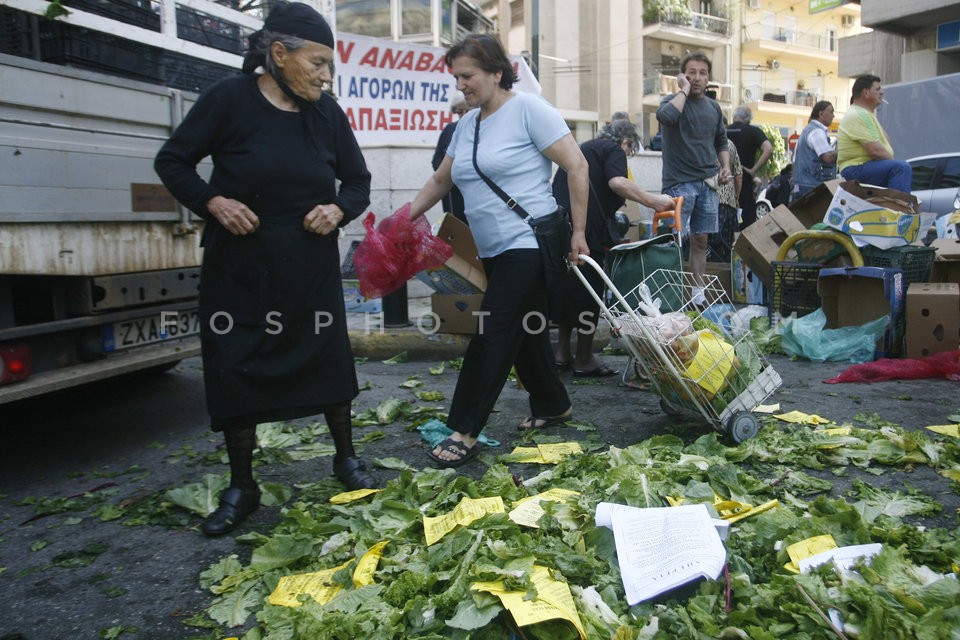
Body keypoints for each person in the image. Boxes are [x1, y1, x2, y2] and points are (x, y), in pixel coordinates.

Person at [154, 1, 376, 537]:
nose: (326, 75)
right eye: (318, 62)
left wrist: (339, 208)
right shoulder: (227, 101)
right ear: (279, 53)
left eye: (331, 66)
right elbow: (173, 161)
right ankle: (242, 485)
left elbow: (358, 182)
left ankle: (345, 461)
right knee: (236, 365)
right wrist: (214, 202)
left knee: (327, 360)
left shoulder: (328, 114)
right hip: (241, 267)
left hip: (309, 265)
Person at [407, 33, 590, 467]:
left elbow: (576, 166)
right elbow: (440, 181)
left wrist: (578, 233)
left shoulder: (528, 109)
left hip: (528, 243)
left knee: (492, 330)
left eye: (467, 76)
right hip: (493, 249)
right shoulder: (467, 125)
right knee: (524, 330)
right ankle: (552, 403)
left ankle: (465, 429)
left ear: (495, 71)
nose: (461, 86)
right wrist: (404, 217)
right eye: (456, 78)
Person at [550, 121, 675, 375]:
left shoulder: (583, 148)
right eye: (630, 152)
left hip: (561, 225)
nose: (627, 157)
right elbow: (617, 182)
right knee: (589, 291)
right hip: (587, 231)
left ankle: (562, 352)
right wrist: (654, 201)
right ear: (626, 142)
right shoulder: (612, 149)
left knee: (568, 286)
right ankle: (584, 357)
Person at [655, 50, 731, 307]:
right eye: (692, 73)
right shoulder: (672, 100)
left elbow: (721, 141)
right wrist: (684, 91)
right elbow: (665, 118)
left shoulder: (713, 107)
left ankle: (697, 298)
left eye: (702, 73)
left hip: (708, 183)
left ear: (709, 77)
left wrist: (726, 167)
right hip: (679, 182)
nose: (697, 77)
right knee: (675, 240)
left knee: (701, 239)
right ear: (682, 75)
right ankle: (669, 296)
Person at [837, 75, 912, 193]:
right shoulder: (859, 115)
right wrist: (892, 164)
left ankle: (892, 206)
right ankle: (899, 209)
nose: (882, 93)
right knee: (901, 168)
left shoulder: (866, 114)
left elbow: (885, 143)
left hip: (862, 167)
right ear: (866, 93)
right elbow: (875, 151)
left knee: (898, 167)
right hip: (855, 168)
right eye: (877, 89)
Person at [725, 105, 772, 229]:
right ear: (748, 119)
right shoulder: (753, 131)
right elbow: (768, 149)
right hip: (744, 181)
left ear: (734, 116)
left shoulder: (724, 131)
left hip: (724, 181)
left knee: (725, 223)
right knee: (747, 225)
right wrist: (753, 170)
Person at [431, 91, 469, 223]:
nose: (464, 116)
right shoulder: (450, 130)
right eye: (460, 112)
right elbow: (436, 161)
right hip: (453, 193)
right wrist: (449, 171)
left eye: (468, 111)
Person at [791, 101, 837, 202]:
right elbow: (828, 157)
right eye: (831, 112)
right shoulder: (816, 132)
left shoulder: (807, 130)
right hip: (811, 186)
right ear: (821, 114)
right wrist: (842, 152)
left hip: (802, 185)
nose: (833, 115)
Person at [708, 137, 742, 263]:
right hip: (729, 201)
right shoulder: (730, 145)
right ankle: (727, 275)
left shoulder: (707, 142)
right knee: (728, 243)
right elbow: (738, 175)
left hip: (710, 197)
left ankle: (713, 271)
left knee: (711, 242)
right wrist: (736, 197)